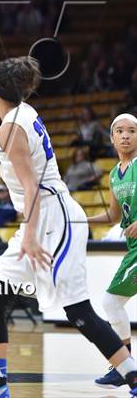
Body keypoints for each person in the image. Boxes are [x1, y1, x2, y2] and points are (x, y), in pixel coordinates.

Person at [0, 13, 137, 397]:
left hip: (53, 216)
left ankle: (133, 376)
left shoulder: (11, 128)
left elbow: (31, 186)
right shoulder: (15, 108)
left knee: (78, 311)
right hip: (39, 217)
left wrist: (30, 237)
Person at [89, 113, 137, 389]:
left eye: (132, 130)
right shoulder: (113, 175)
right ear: (111, 138)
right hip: (132, 249)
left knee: (110, 302)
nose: (126, 135)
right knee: (112, 303)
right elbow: (112, 215)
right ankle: (125, 367)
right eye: (120, 131)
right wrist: (78, 219)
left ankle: (124, 367)